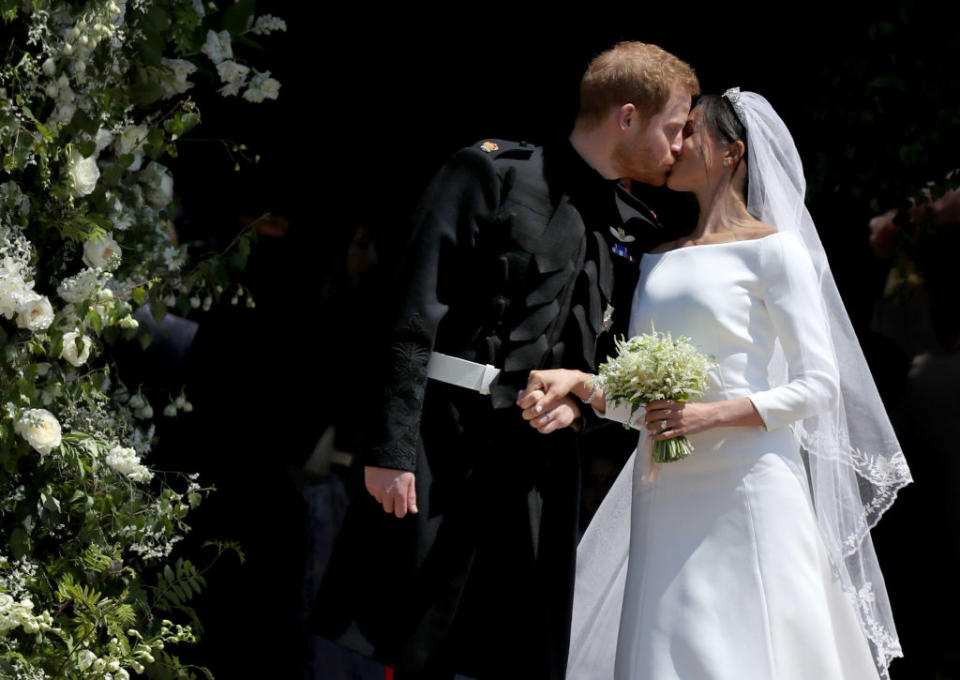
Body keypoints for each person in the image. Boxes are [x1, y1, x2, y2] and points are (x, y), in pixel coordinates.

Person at [309, 42, 699, 680]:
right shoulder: (490, 173)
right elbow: (411, 314)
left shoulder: (630, 226)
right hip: (445, 442)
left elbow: (615, 362)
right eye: (674, 127)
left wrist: (580, 410)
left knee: (514, 654)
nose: (680, 145)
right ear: (627, 117)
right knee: (414, 644)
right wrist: (389, 448)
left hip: (542, 467)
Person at [517, 90, 912, 680]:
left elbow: (818, 385)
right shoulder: (656, 258)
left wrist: (712, 415)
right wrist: (582, 383)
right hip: (665, 487)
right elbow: (645, 404)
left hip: (747, 481)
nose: (676, 145)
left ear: (733, 153)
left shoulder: (774, 252)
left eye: (692, 132)